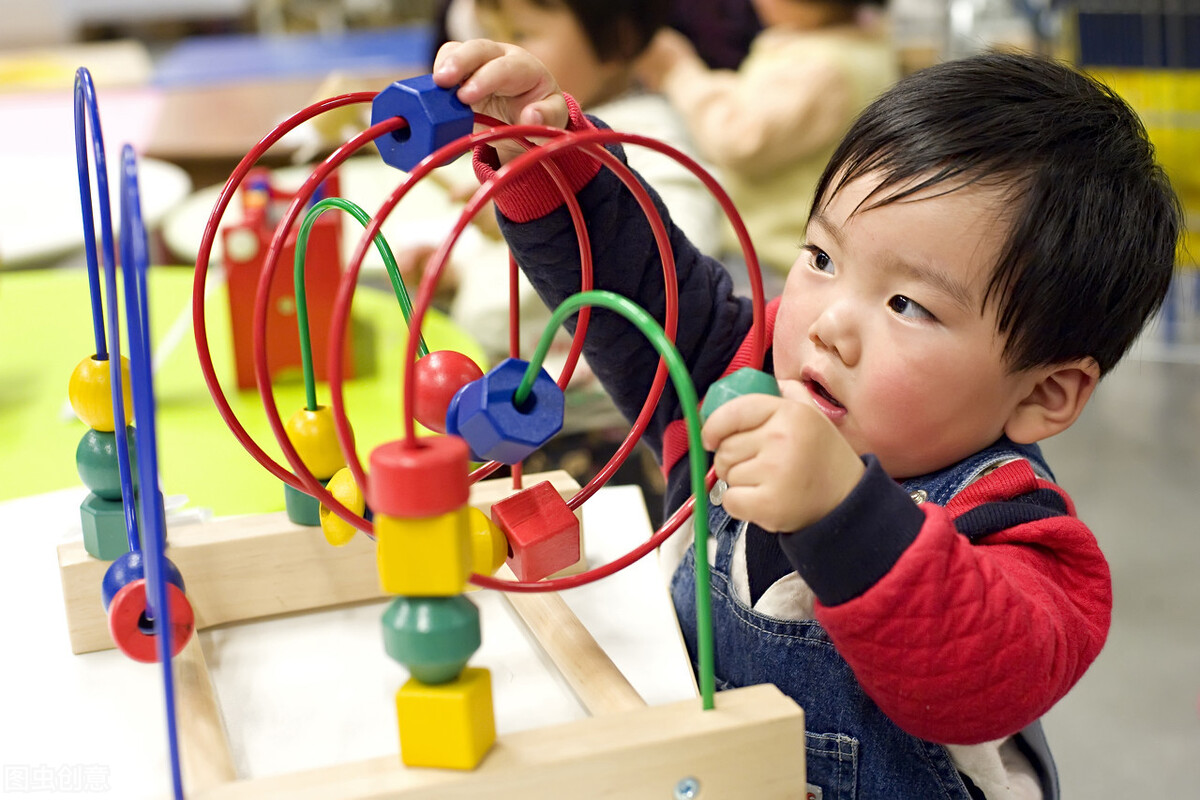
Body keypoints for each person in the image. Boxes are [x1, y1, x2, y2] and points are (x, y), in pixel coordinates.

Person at [429, 39, 1181, 798]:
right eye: (822, 258)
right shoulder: (744, 377)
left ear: (1041, 394)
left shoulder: (1020, 537)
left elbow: (981, 670)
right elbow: (642, 299)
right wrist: (552, 166)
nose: (827, 325)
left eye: (907, 305)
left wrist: (842, 515)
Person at [637, 0, 898, 285]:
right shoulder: (855, 43)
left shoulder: (818, 69)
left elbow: (738, 139)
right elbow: (755, 100)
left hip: (774, 259)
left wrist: (680, 72)